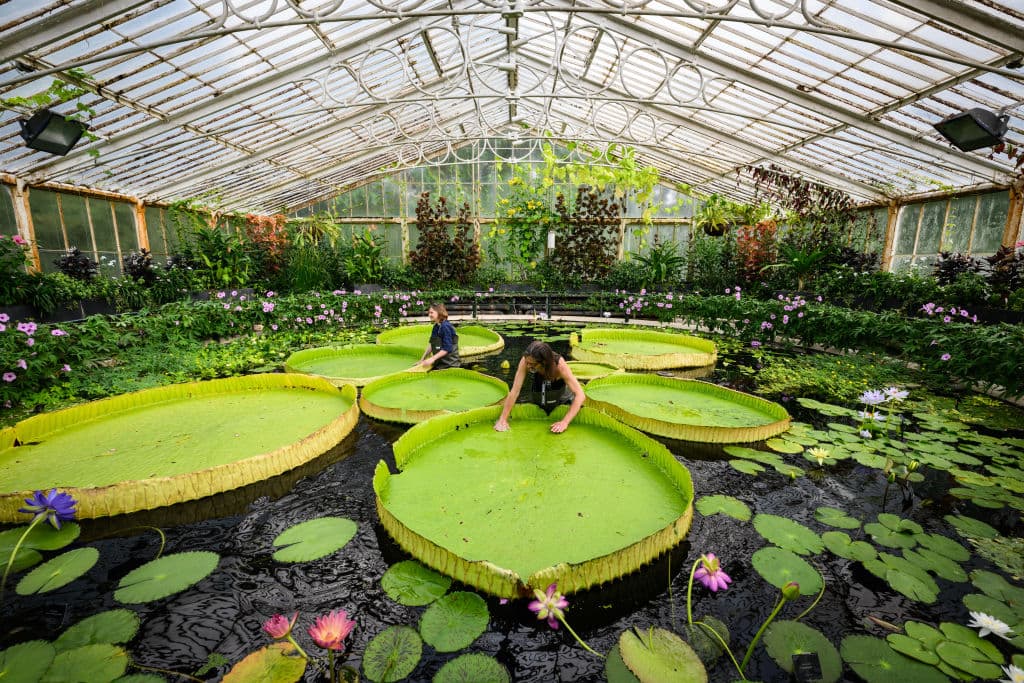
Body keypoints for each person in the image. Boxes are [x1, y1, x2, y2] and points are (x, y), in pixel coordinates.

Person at [494, 340, 584, 434]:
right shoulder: (526, 360)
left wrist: (564, 422)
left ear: (544, 362)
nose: (527, 366)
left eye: (532, 364)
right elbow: (515, 391)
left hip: (561, 395)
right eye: (527, 362)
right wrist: (502, 419)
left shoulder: (560, 366)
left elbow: (580, 395)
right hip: (540, 392)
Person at [418, 302, 460, 370]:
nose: (429, 315)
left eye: (432, 313)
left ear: (439, 312)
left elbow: (447, 348)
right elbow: (432, 344)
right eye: (429, 313)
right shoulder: (436, 326)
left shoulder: (445, 326)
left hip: (450, 365)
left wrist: (432, 359)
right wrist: (422, 359)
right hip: (439, 364)